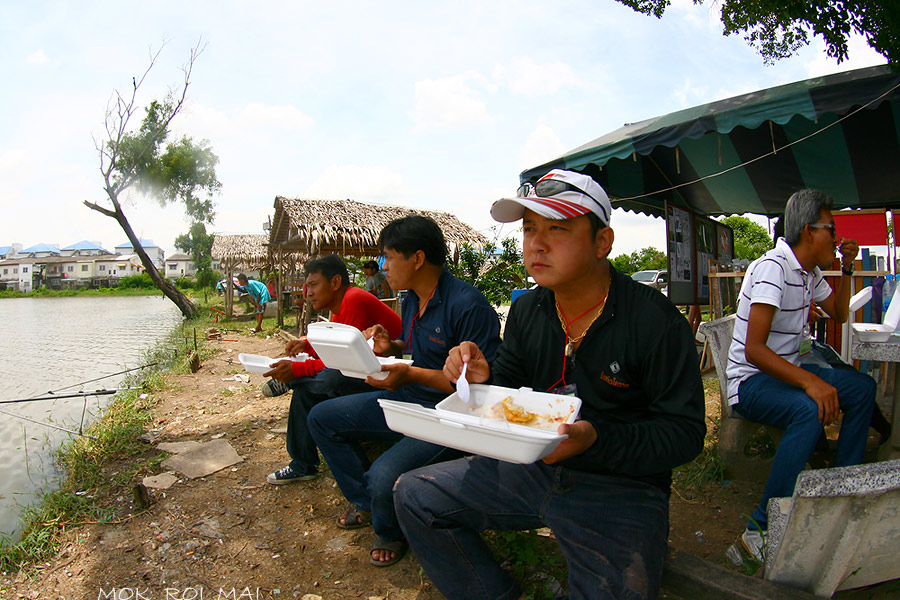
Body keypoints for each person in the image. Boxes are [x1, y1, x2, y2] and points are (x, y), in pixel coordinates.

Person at [393, 169, 706, 599]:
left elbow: (684, 434)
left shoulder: (655, 322)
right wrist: (482, 379)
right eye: (529, 229)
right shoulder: (528, 311)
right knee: (413, 494)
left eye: (557, 228)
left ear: (602, 242)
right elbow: (511, 391)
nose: (536, 244)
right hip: (530, 468)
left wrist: (597, 439)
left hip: (621, 486)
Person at [307, 215, 502, 568]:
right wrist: (392, 347)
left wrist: (409, 374)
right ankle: (367, 501)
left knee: (383, 475)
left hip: (450, 413)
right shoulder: (411, 298)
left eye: (388, 257)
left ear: (417, 258)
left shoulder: (467, 305)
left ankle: (388, 530)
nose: (382, 266)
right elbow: (417, 353)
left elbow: (475, 388)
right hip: (409, 396)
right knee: (321, 418)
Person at [725, 189, 875, 562]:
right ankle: (756, 533)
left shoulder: (809, 272)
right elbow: (754, 350)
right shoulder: (773, 268)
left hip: (783, 373)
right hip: (750, 381)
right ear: (809, 231)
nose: (837, 237)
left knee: (862, 388)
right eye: (831, 229)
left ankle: (840, 488)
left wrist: (850, 266)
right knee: (808, 408)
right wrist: (811, 381)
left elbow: (839, 314)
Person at [261, 255, 403, 484]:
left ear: (335, 282)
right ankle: (302, 464)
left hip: (393, 377)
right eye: (307, 286)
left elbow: (342, 361)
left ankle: (291, 382)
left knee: (330, 378)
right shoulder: (339, 306)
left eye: (314, 285)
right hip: (367, 372)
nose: (308, 292)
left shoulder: (354, 300)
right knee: (306, 392)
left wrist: (297, 371)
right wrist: (306, 344)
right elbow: (334, 348)